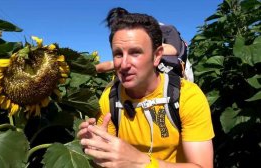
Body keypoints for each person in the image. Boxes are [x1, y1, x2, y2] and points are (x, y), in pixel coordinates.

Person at [78, 7, 214, 168]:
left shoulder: (186, 96)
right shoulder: (110, 98)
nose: (124, 65)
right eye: (118, 54)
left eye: (135, 53)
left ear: (157, 56)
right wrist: (96, 151)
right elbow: (107, 161)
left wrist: (141, 163)